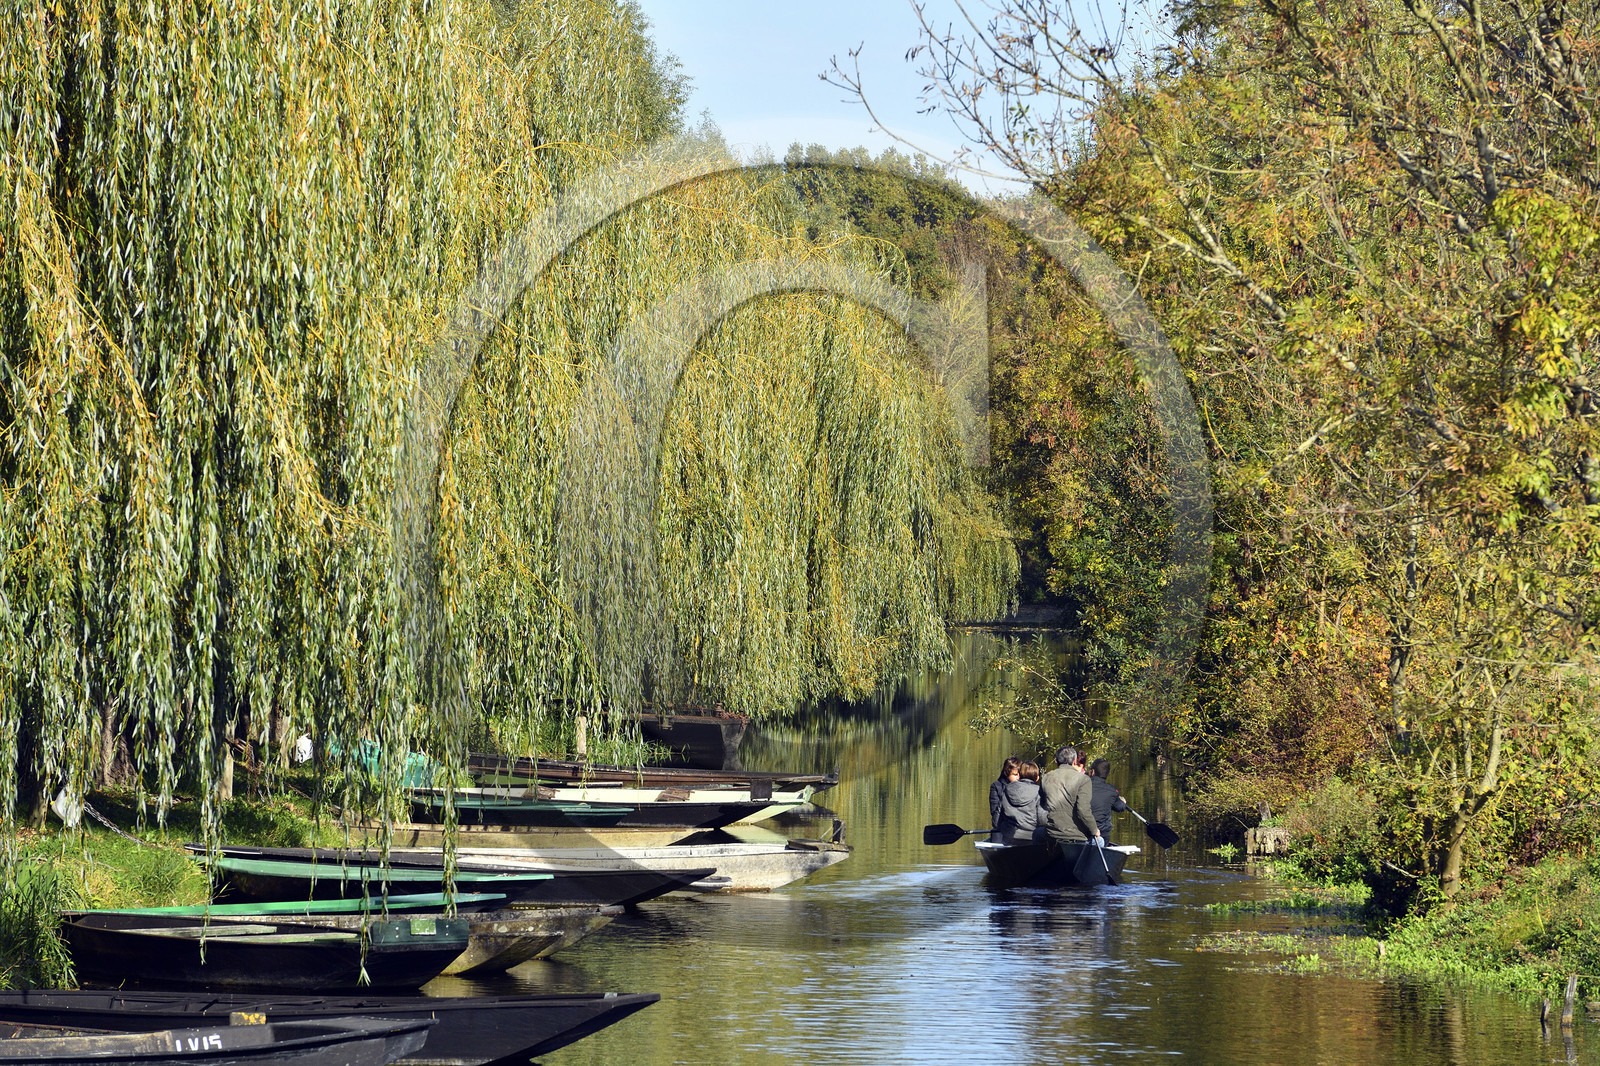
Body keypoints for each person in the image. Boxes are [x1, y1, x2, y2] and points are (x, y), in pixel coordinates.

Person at [1039, 745, 1102, 847]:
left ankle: (1042, 860)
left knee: (1036, 833)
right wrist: (1094, 830)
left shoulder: (1046, 777)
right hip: (1077, 835)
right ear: (1074, 761)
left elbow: (1043, 805)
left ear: (1056, 761)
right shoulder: (1084, 779)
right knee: (1100, 841)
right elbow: (1083, 810)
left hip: (1053, 833)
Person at [995, 760, 1044, 844]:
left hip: (1009, 837)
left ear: (1020, 775)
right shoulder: (1039, 792)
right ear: (1037, 778)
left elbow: (997, 820)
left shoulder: (1006, 789)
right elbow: (1042, 819)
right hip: (1031, 837)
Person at [1088, 757, 1128, 840]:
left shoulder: (1081, 786)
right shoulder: (1112, 791)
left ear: (1093, 771)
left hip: (1082, 832)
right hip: (1102, 834)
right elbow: (1119, 807)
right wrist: (1123, 803)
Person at [989, 756, 1022, 843]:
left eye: (1020, 774)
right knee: (996, 834)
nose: (1018, 778)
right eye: (1015, 775)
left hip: (1021, 828)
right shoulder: (996, 786)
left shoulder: (1024, 787)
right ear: (1006, 773)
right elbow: (995, 820)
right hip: (1001, 828)